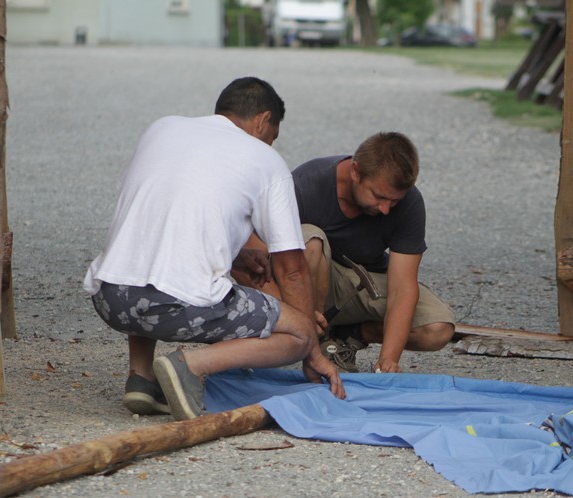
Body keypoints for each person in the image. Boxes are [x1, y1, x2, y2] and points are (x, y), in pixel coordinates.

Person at [83, 77, 345, 421]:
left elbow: (162, 217)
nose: (270, 144)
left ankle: (141, 377)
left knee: (146, 257)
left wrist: (234, 256)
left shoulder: (163, 129)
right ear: (263, 121)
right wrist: (311, 347)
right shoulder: (265, 160)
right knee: (299, 333)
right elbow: (291, 267)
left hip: (110, 298)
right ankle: (189, 367)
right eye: (273, 136)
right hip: (175, 306)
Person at [240, 132, 455, 373]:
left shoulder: (410, 203)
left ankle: (346, 334)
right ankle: (314, 343)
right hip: (300, 283)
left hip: (358, 284)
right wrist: (290, 313)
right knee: (310, 239)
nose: (386, 209)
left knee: (437, 329)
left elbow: (402, 288)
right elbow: (253, 250)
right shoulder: (307, 183)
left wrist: (389, 360)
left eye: (393, 202)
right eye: (379, 197)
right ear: (355, 172)